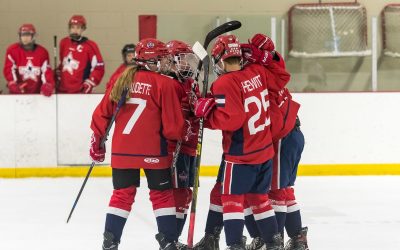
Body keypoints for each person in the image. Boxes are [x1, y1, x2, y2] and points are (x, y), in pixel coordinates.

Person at [193, 35, 290, 250]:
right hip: (264, 151)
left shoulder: (225, 83)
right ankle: (274, 243)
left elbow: (232, 119)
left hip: (241, 154)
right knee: (259, 199)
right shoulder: (257, 71)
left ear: (221, 60)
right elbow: (281, 78)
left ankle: (235, 244)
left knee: (231, 200)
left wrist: (206, 117)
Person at [90, 38, 185, 250]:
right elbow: (173, 128)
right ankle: (169, 241)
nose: (165, 62)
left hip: (123, 151)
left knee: (122, 195)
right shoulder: (166, 84)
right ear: (153, 61)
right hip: (154, 151)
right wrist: (182, 131)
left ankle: (110, 240)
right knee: (161, 196)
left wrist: (97, 141)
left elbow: (102, 113)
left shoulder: (121, 79)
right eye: (161, 58)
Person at [241, 34, 308, 250]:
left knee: (276, 191)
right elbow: (279, 66)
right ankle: (297, 238)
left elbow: (275, 126)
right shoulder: (271, 73)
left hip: (283, 139)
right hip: (294, 136)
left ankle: (274, 240)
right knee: (286, 190)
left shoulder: (264, 78)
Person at [165, 40, 200, 247]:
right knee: (178, 193)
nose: (188, 64)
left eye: (189, 59)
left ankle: (176, 240)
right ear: (172, 61)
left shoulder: (190, 83)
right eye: (183, 59)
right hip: (175, 148)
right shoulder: (169, 84)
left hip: (191, 145)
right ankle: (172, 240)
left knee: (186, 193)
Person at [57, 15, 104, 93]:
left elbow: (99, 67)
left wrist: (90, 83)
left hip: (80, 92)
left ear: (83, 29)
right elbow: (62, 64)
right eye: (72, 27)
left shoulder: (91, 46)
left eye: (78, 28)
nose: (75, 30)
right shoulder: (64, 42)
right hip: (63, 91)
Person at [3, 23, 54, 96]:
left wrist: (48, 84)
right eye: (22, 35)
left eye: (28, 35)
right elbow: (9, 69)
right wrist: (12, 83)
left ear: (33, 36)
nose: (25, 38)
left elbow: (46, 71)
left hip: (37, 95)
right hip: (18, 94)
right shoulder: (12, 50)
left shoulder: (43, 52)